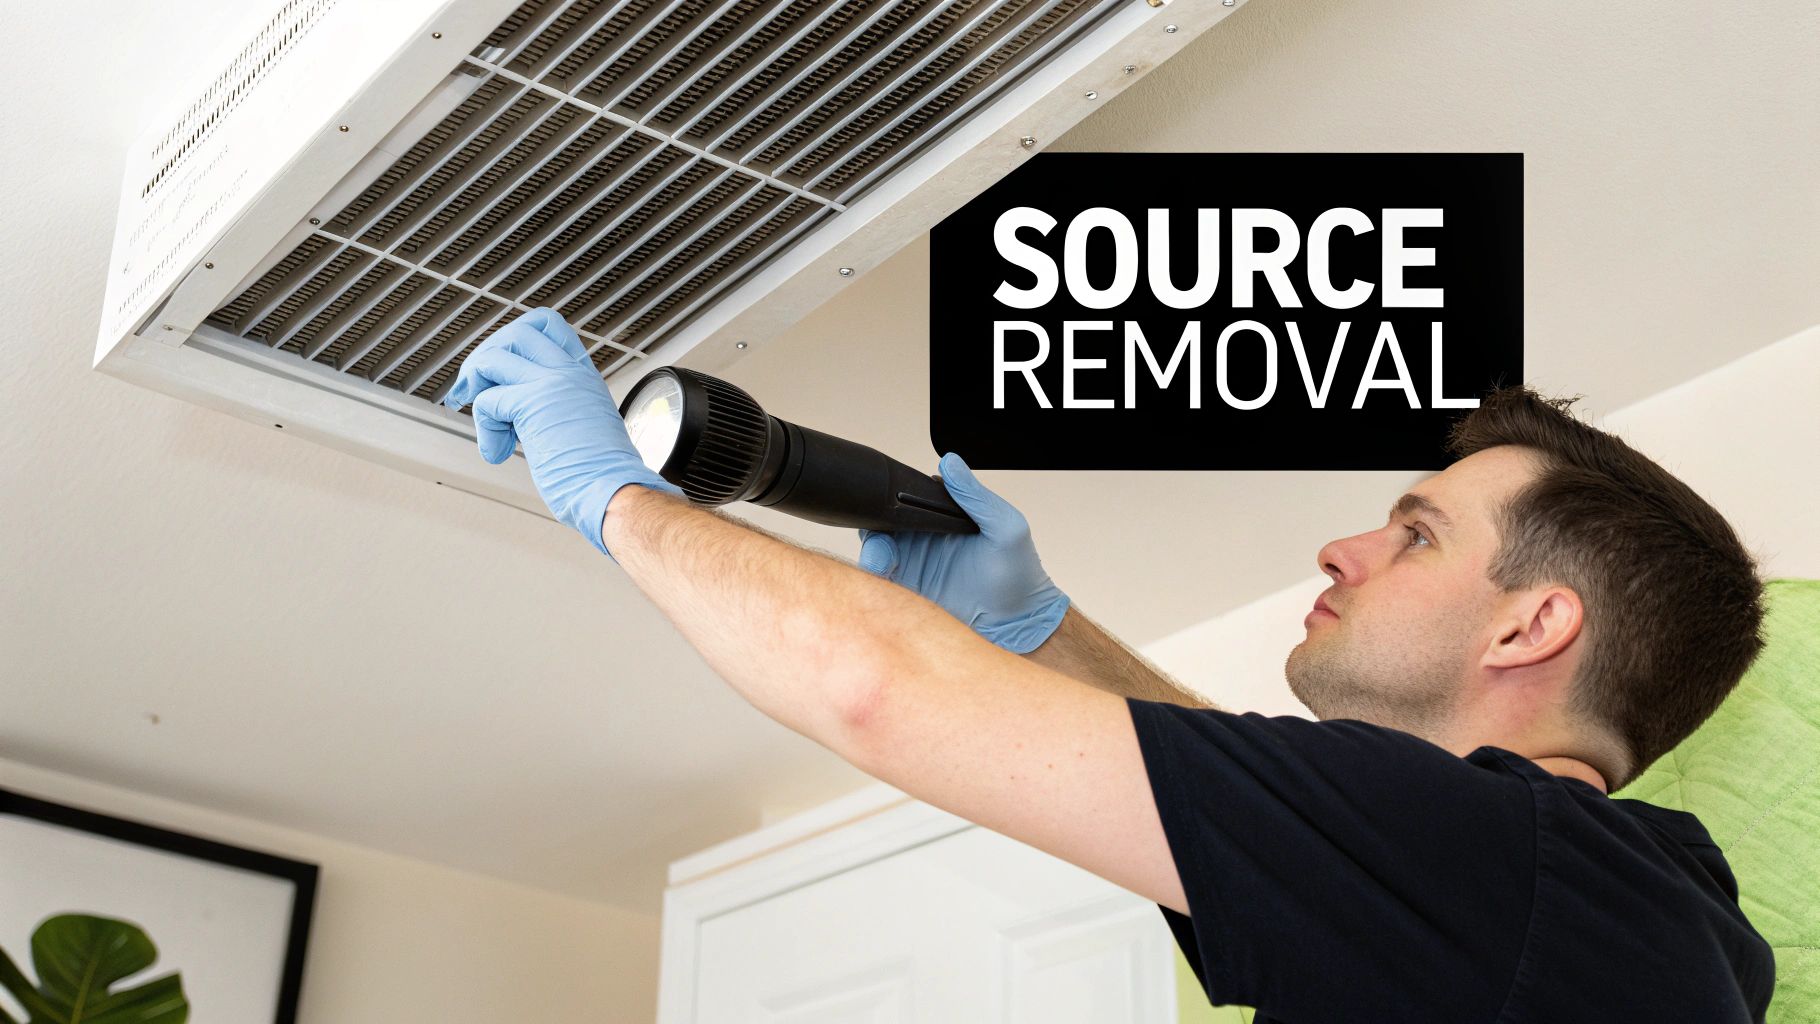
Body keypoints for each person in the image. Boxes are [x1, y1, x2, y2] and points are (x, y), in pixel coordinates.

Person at [443, 308, 1776, 1023]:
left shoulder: (1513, 863)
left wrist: (613, 496)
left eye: (1417, 533)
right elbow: (1257, 810)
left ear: (1531, 628)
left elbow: (875, 689)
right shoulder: (1617, 920)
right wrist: (1041, 633)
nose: (1345, 547)